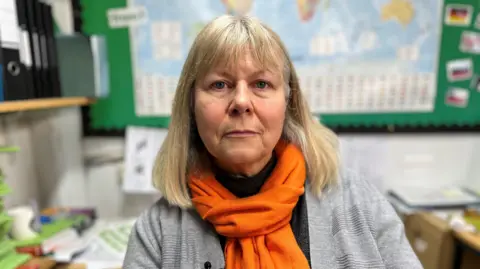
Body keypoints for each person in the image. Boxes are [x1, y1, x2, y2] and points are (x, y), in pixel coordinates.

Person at [123, 15, 422, 269]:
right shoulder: (156, 233)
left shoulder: (359, 201)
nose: (241, 101)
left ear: (288, 102)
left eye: (261, 84)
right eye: (219, 84)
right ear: (191, 105)